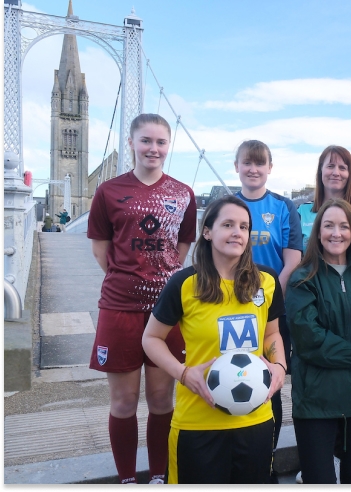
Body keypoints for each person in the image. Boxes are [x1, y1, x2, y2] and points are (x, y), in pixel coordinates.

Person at [142, 195, 287, 484]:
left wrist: (280, 366)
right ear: (207, 231)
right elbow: (151, 339)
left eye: (244, 227)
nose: (238, 232)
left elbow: (272, 333)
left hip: (255, 420)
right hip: (198, 422)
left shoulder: (267, 281)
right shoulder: (184, 284)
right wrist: (183, 374)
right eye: (228, 224)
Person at [87, 113, 197, 484]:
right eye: (146, 141)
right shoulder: (109, 191)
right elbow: (101, 250)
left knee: (163, 400)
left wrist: (162, 280)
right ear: (131, 143)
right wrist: (129, 278)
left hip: (167, 312)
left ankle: (158, 476)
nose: (153, 148)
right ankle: (127, 479)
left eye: (161, 142)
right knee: (123, 401)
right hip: (120, 308)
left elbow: (183, 246)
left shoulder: (183, 193)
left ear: (169, 146)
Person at [286, 199, 351, 484]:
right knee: (318, 479)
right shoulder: (302, 278)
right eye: (329, 225)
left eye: (345, 226)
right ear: (317, 232)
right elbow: (308, 338)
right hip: (317, 401)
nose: (337, 233)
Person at [232, 139, 302, 483]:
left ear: (270, 168)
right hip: (232, 312)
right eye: (247, 163)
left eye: (260, 164)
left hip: (273, 311)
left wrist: (265, 295)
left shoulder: (284, 206)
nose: (254, 169)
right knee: (235, 380)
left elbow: (292, 261)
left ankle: (268, 462)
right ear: (237, 167)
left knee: (269, 384)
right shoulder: (228, 206)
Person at [297, 145, 351, 266]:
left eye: (342, 168)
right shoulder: (302, 211)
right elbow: (293, 259)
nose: (336, 173)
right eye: (330, 166)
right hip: (309, 282)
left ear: (350, 174)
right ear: (320, 170)